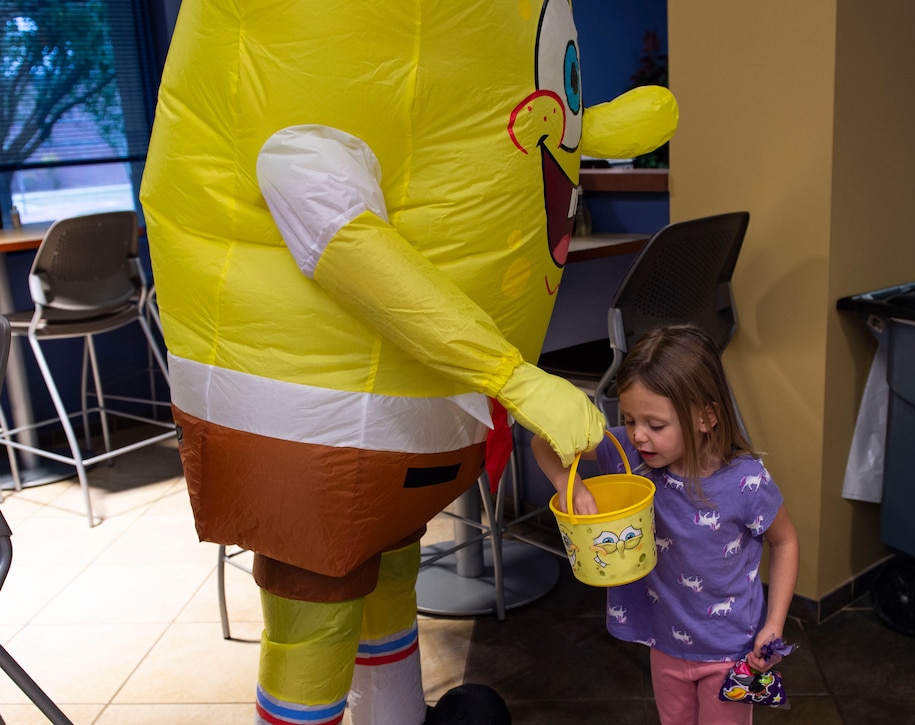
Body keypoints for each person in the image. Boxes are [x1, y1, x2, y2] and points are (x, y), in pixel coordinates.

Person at [140, 3, 678, 724]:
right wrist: (514, 377)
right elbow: (349, 249)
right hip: (308, 414)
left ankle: (396, 715)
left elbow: (505, 110)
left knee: (392, 563)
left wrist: (583, 127)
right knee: (316, 604)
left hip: (413, 411)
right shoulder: (302, 130)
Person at [531, 324, 799, 725]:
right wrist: (569, 487)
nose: (639, 434)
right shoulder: (628, 454)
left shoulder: (746, 482)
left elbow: (786, 542)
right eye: (630, 419)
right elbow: (542, 440)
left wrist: (774, 623)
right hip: (664, 643)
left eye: (656, 425)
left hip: (731, 651)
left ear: (706, 417)